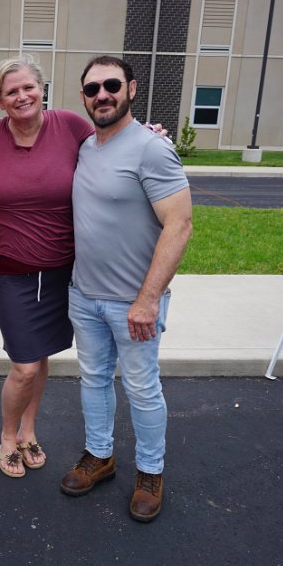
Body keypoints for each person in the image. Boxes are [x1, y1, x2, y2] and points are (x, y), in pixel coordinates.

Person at [60, 55, 192, 524]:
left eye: (112, 85)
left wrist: (148, 299)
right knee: (94, 380)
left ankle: (150, 472)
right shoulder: (85, 147)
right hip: (85, 295)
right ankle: (99, 455)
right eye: (92, 88)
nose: (102, 95)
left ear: (132, 89)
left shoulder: (151, 149)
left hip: (134, 304)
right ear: (83, 97)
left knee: (141, 388)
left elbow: (179, 224)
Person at [0, 55, 93, 478]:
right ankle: (8, 436)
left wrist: (149, 135)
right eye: (11, 91)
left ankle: (29, 430)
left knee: (41, 356)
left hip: (61, 267)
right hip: (9, 267)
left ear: (41, 88)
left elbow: (114, 146)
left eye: (28, 87)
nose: (22, 96)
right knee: (24, 363)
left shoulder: (71, 127)